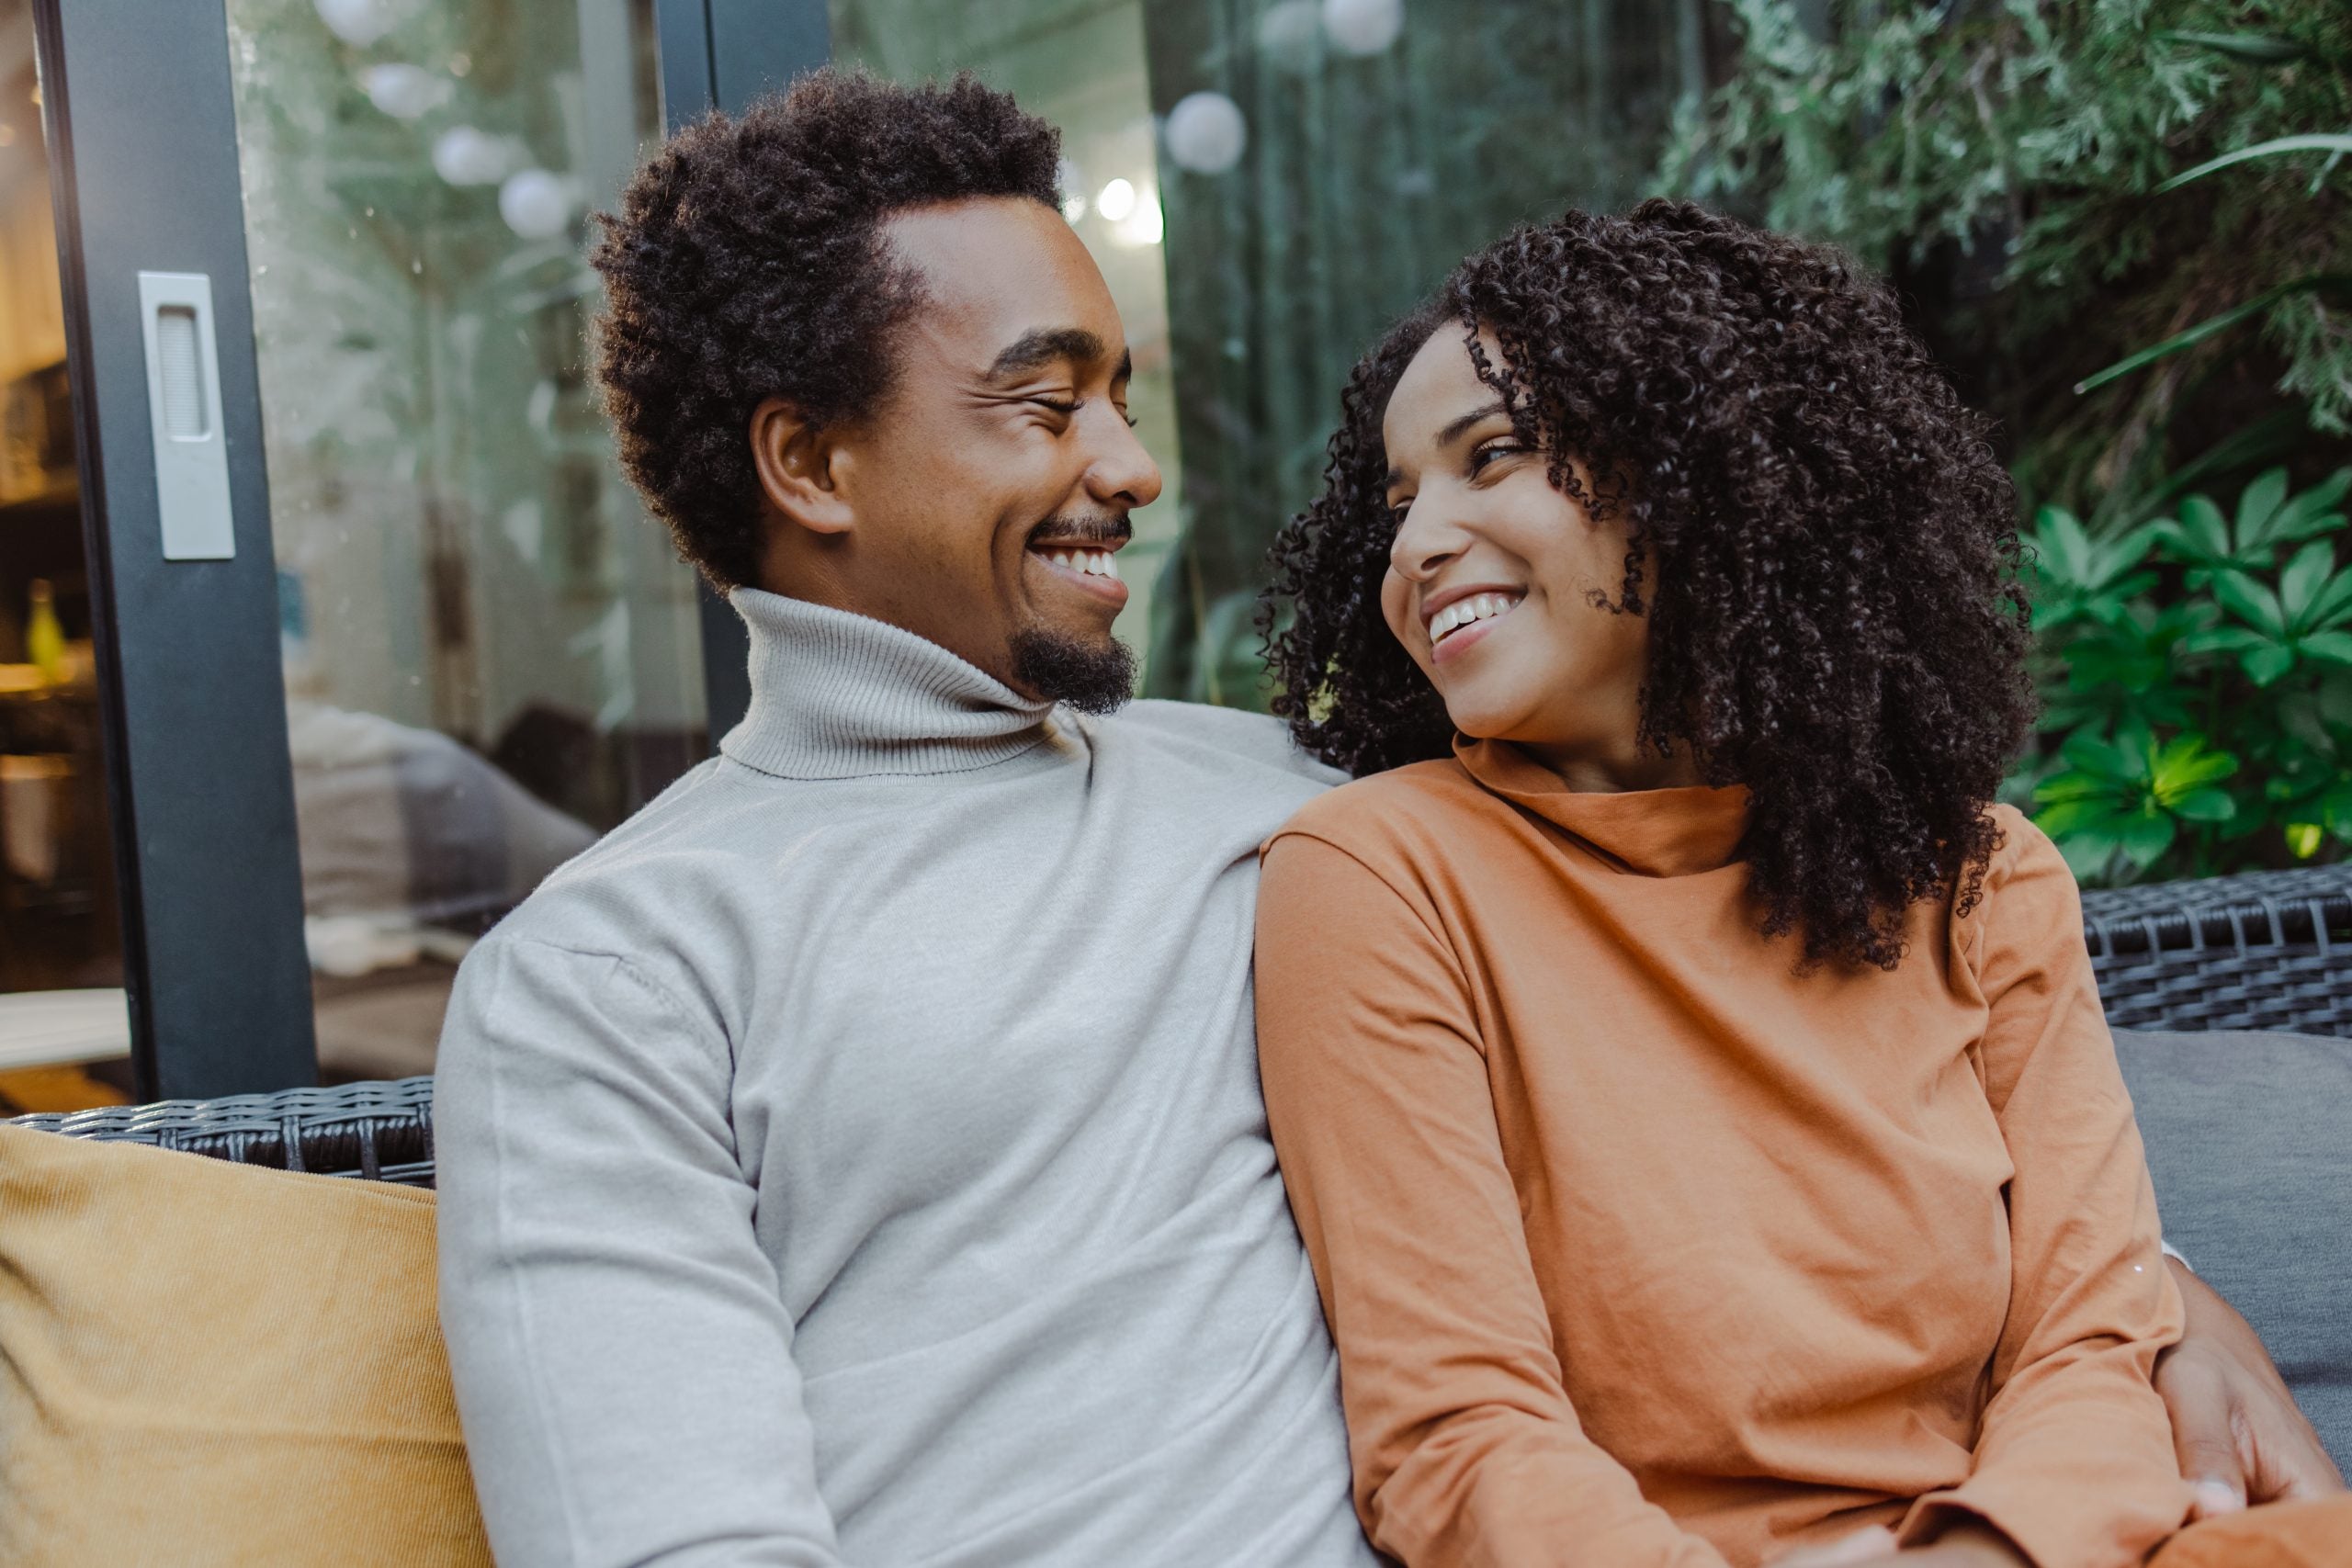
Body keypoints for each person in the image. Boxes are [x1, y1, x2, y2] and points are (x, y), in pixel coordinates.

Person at [433, 71, 2335, 1567]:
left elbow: (1720, 977)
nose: (1133, 468)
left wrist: (2146, 1292)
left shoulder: (1286, 791)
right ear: (808, 460)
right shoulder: (612, 975)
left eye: (1121, 396)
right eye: (1045, 405)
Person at [1251, 203, 2349, 1568]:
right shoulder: (1377, 878)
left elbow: (2096, 1336)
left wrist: (1983, 1556)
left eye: (1493, 456)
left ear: (1699, 472)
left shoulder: (1981, 877)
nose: (1416, 547)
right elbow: (1457, 1441)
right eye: (1398, 504)